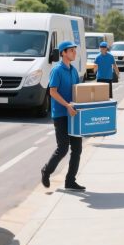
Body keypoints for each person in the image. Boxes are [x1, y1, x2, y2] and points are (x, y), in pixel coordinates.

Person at [40, 40, 85, 192]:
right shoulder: (57, 70)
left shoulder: (73, 70)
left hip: (74, 114)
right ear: (63, 53)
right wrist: (67, 106)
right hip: (61, 115)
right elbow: (52, 91)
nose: (74, 53)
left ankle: (70, 181)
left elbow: (76, 91)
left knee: (77, 149)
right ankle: (46, 171)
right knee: (63, 148)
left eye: (74, 50)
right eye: (71, 50)